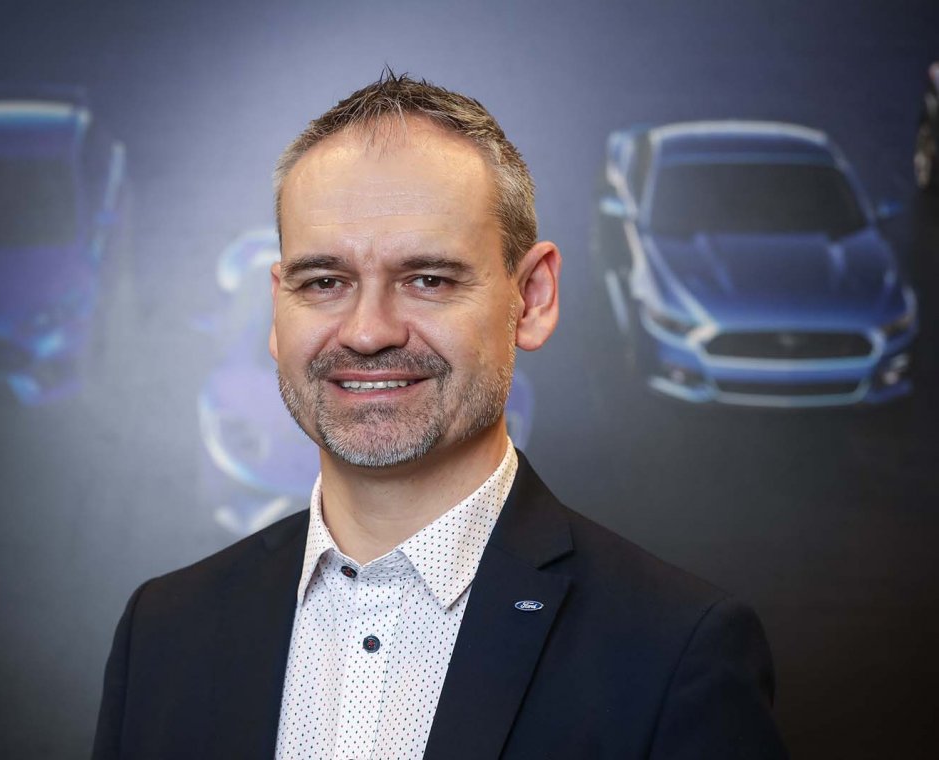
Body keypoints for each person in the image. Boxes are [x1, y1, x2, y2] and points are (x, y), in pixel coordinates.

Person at [92, 72, 788, 759]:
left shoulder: (675, 652)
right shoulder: (163, 632)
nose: (368, 332)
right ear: (278, 307)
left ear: (533, 298)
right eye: (325, 281)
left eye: (428, 279)